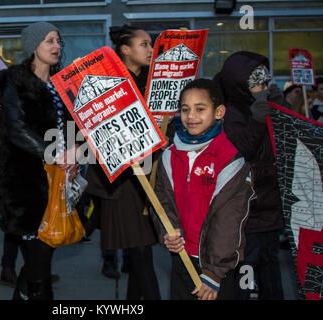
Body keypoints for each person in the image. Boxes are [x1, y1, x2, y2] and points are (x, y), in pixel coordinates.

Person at [151, 78, 254, 300]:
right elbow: (162, 202)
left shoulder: (230, 159)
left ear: (219, 112)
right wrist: (168, 232)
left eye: (200, 109)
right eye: (185, 109)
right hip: (182, 257)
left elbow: (229, 221)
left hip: (216, 267)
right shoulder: (169, 155)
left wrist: (214, 273)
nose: (191, 116)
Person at [0, 22, 78, 300]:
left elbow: (70, 125)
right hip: (28, 182)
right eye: (49, 41)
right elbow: (15, 128)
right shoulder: (14, 80)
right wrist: (56, 154)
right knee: (39, 259)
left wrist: (76, 156)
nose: (57, 46)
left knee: (41, 258)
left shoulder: (61, 82)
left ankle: (26, 292)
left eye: (58, 40)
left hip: (61, 180)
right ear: (34, 46)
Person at [86, 25, 161, 299]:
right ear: (125, 50)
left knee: (139, 251)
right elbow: (85, 129)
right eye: (144, 44)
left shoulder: (155, 83)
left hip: (152, 176)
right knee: (141, 251)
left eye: (151, 44)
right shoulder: (105, 84)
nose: (151, 50)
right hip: (123, 180)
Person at [214, 51, 285, 300]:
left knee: (270, 263)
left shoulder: (266, 105)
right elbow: (240, 151)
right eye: (257, 85)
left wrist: (282, 108)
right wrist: (257, 119)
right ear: (241, 86)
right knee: (246, 265)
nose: (262, 89)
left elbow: (286, 144)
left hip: (271, 201)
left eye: (265, 83)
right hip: (249, 206)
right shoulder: (231, 113)